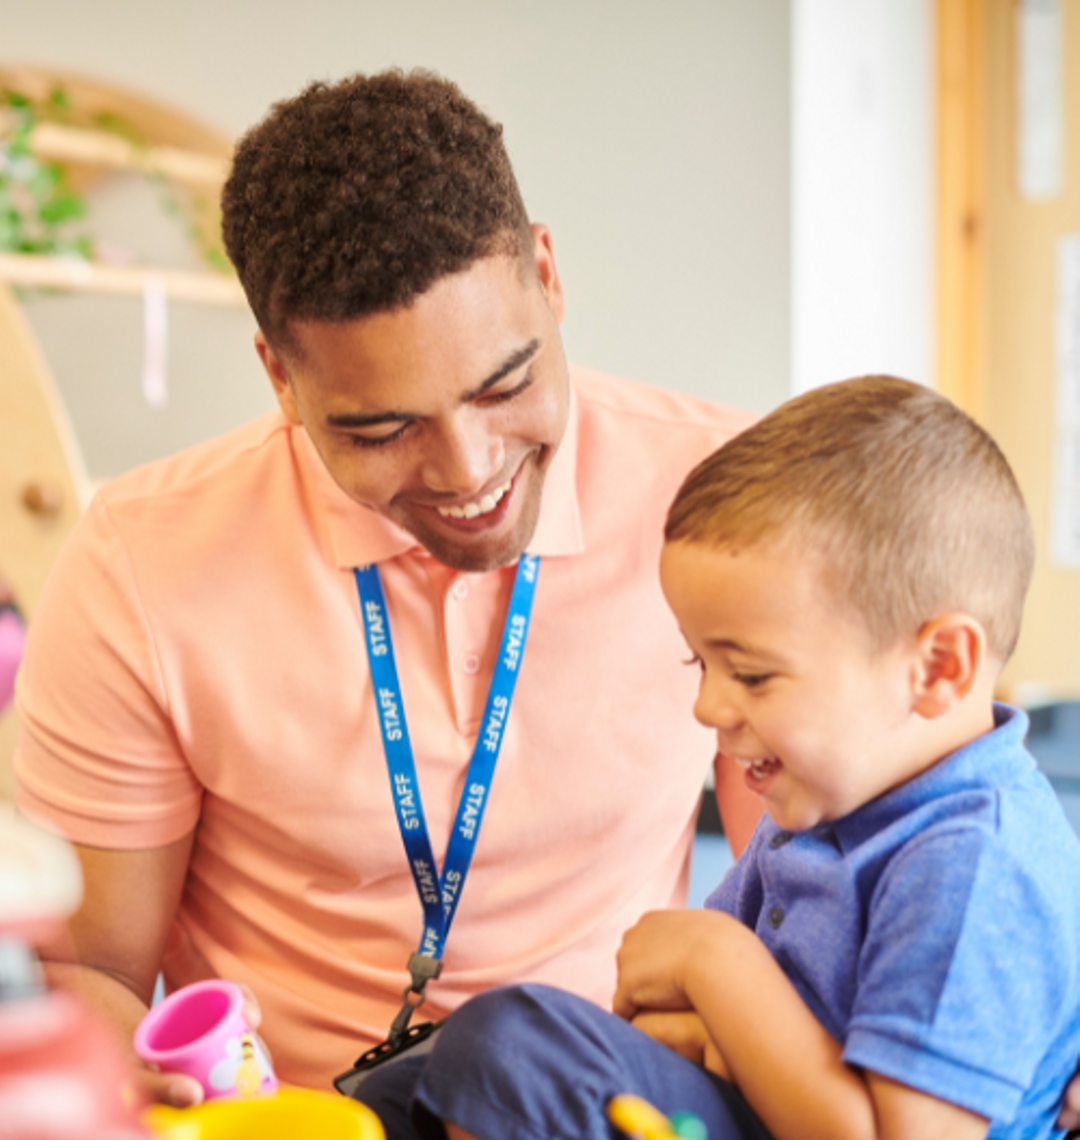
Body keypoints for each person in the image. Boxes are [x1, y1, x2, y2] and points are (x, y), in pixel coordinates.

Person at [12, 70, 762, 1105]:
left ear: (546, 275)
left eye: (505, 385)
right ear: (280, 375)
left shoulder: (729, 498)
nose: (468, 471)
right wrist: (154, 1081)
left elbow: (841, 874)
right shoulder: (141, 561)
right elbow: (83, 967)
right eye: (380, 429)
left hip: (604, 1106)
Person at [376, 376, 1080, 1140]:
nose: (709, 708)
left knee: (509, 1045)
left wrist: (719, 966)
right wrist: (715, 1031)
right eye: (699, 667)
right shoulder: (826, 802)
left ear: (938, 668)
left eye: (751, 674)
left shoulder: (973, 863)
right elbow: (665, 1017)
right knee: (413, 1079)